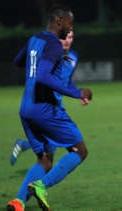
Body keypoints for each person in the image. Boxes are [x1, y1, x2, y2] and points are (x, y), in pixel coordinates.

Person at [6, 4, 92, 211]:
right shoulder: (54, 44)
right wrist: (75, 92)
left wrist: (34, 66)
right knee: (80, 150)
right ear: (59, 21)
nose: (70, 29)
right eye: (69, 24)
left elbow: (18, 60)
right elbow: (44, 76)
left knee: (45, 159)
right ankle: (41, 185)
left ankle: (18, 202)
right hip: (45, 109)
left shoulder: (35, 38)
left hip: (26, 108)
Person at [9, 30, 79, 166]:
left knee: (51, 143)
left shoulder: (74, 57)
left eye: (70, 37)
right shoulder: (50, 55)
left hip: (57, 104)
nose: (66, 40)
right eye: (64, 37)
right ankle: (39, 180)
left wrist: (76, 92)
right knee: (54, 145)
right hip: (45, 104)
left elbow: (67, 79)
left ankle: (24, 146)